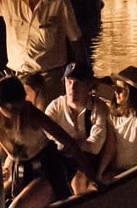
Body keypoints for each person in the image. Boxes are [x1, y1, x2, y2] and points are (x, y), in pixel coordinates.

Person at [0, 75, 103, 208]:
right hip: (21, 171)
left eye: (20, 105)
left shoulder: (30, 113)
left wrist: (93, 178)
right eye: (11, 108)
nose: (17, 111)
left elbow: (69, 143)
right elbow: (12, 153)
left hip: (47, 170)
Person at [44, 60, 113, 192]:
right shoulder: (55, 106)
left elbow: (95, 146)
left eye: (77, 83)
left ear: (87, 85)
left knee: (78, 184)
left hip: (87, 162)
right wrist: (72, 145)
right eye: (68, 82)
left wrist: (67, 144)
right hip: (61, 162)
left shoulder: (98, 108)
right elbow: (44, 134)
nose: (72, 88)